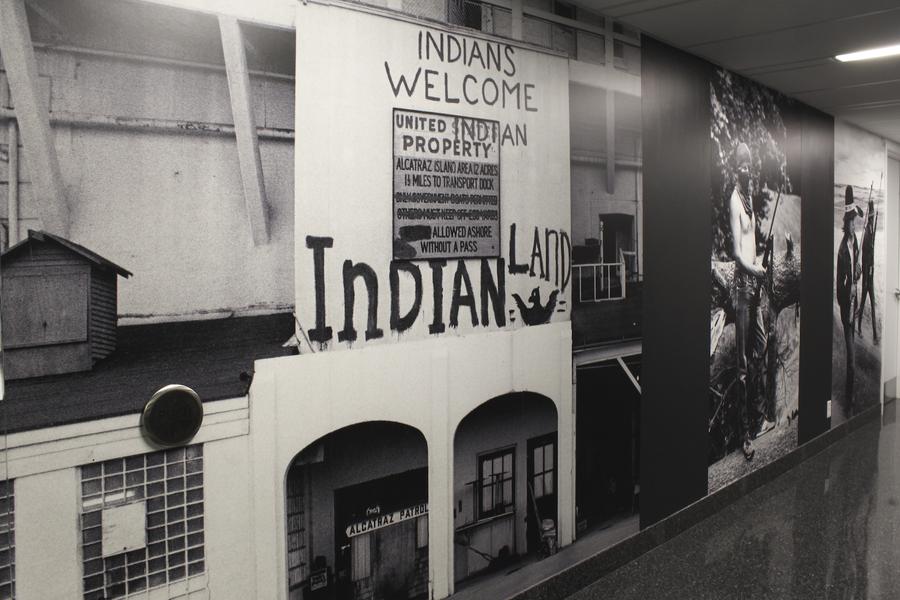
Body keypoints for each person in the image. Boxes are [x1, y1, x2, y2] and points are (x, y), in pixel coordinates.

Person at [729, 143, 774, 461]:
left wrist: (762, 254)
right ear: (736, 169)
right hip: (743, 290)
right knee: (743, 367)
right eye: (742, 166)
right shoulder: (734, 201)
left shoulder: (750, 201)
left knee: (760, 349)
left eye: (750, 166)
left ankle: (758, 420)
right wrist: (755, 268)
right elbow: (735, 253)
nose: (747, 171)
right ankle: (745, 436)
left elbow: (750, 246)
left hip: (754, 288)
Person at [836, 185, 862, 411]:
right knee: (852, 362)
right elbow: (838, 288)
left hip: (856, 308)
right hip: (847, 310)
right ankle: (848, 400)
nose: (854, 225)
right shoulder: (842, 250)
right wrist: (849, 289)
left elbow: (857, 269)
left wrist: (859, 272)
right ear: (846, 223)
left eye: (855, 221)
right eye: (851, 221)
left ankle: (850, 394)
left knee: (852, 361)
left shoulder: (856, 246)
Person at [857, 195, 878, 344]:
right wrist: (865, 280)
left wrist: (872, 269)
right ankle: (858, 326)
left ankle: (876, 335)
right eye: (871, 217)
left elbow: (871, 257)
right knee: (864, 303)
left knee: (873, 303)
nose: (871, 219)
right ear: (869, 218)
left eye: (872, 217)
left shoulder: (871, 231)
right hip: (867, 278)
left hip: (870, 276)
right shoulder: (867, 235)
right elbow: (864, 258)